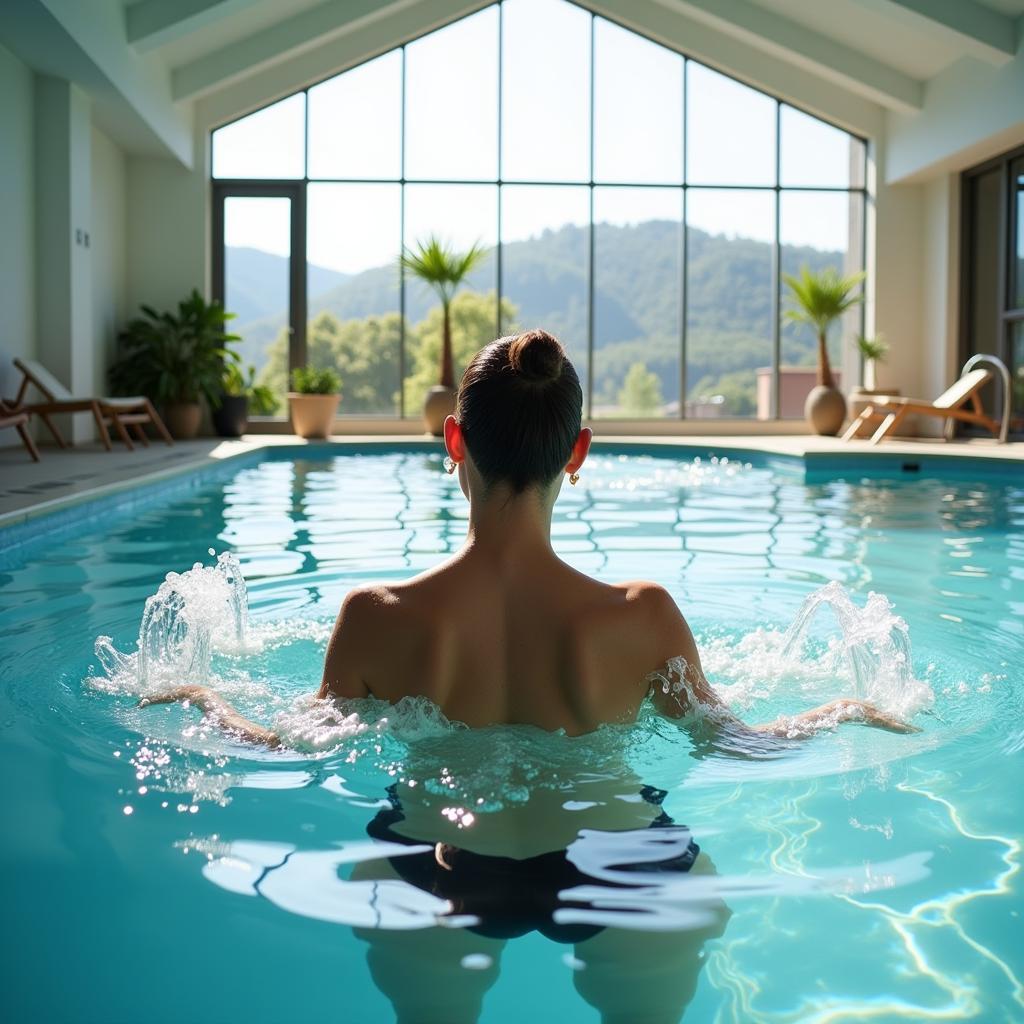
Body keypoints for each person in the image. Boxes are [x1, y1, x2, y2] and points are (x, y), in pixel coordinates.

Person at [141, 329, 915, 1023]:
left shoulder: (375, 617)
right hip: (623, 862)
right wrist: (842, 709)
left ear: (453, 441)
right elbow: (737, 744)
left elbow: (293, 750)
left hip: (429, 860)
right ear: (577, 452)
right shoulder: (643, 618)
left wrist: (202, 698)